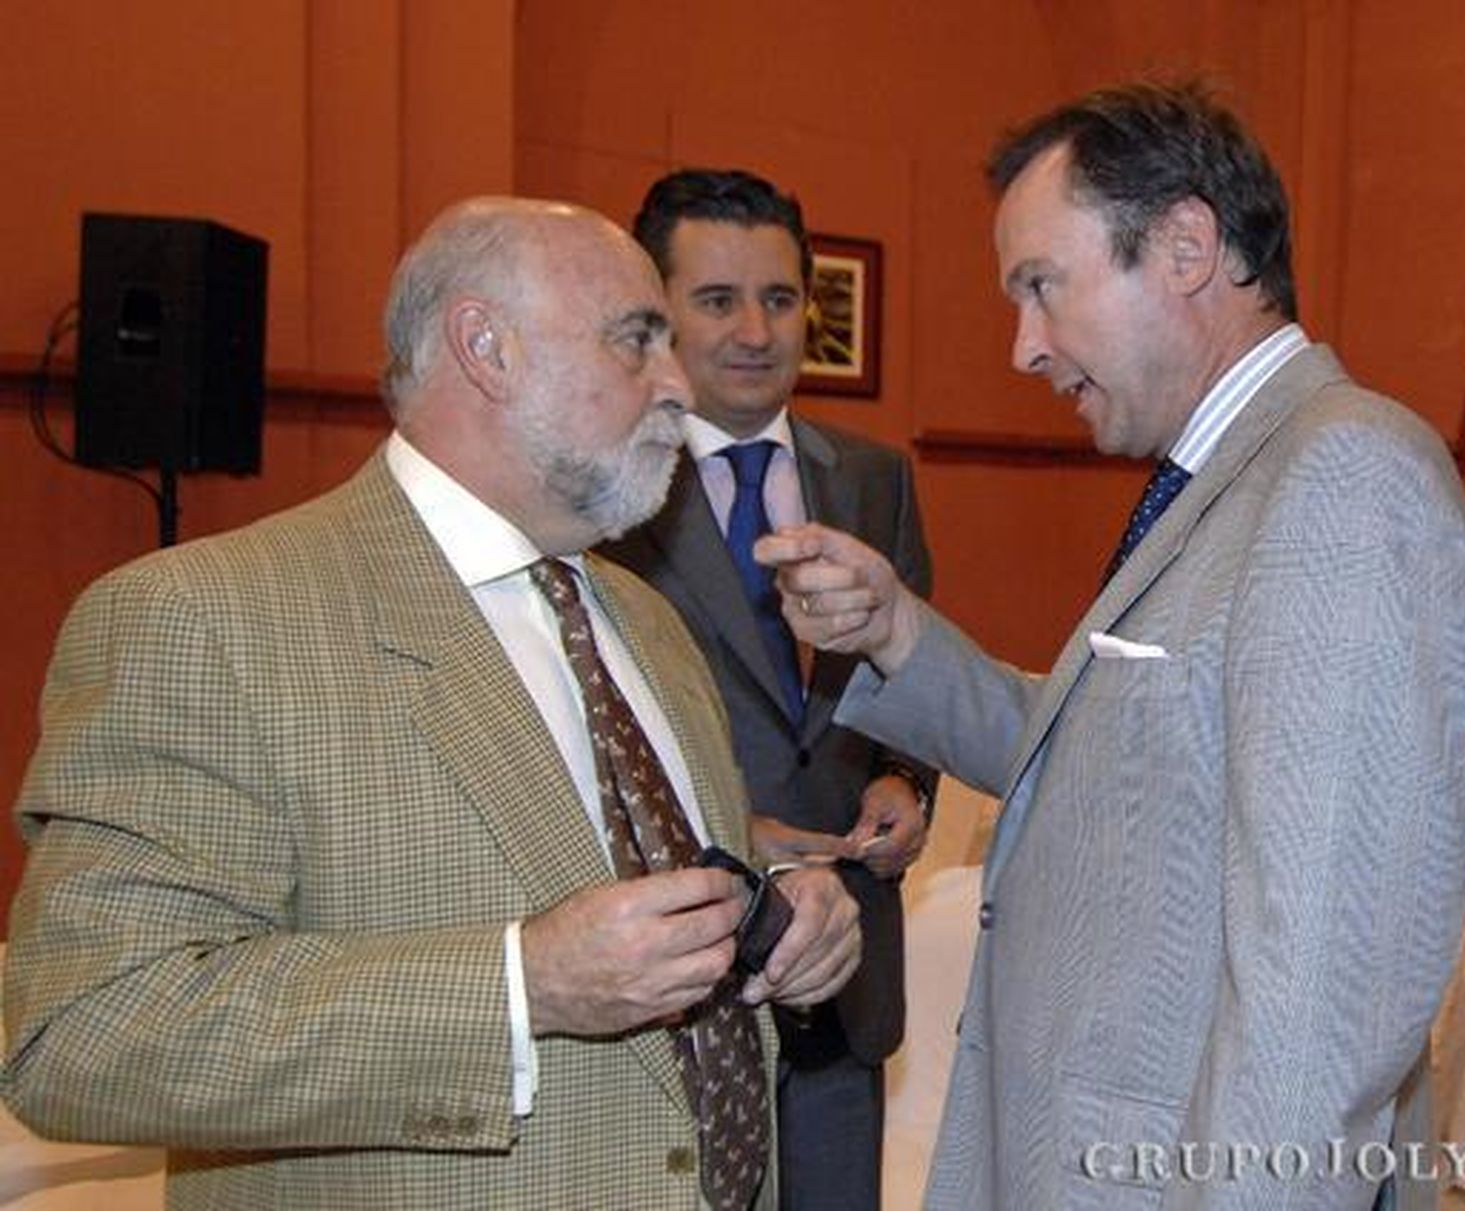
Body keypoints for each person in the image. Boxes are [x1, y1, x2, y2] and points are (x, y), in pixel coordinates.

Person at [1, 197, 863, 1210]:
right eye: (638, 339)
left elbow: (616, 881)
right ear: (485, 347)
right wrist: (516, 986)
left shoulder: (644, 621)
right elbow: (84, 1029)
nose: (679, 385)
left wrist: (779, 912)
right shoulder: (205, 617)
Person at [759, 82, 1465, 1210]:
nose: (1022, 347)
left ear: (1188, 246)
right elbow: (1106, 768)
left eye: (1042, 287)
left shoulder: (1344, 479)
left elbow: (1319, 999)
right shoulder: (1224, 475)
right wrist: (895, 630)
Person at [602, 168, 935, 1211]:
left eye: (780, 299)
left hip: (849, 969)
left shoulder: (872, 478)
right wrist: (725, 823)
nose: (755, 329)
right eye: (717, 300)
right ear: (658, 313)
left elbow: (909, 669)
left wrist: (903, 780)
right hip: (687, 969)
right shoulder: (604, 490)